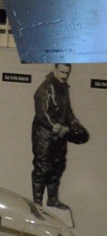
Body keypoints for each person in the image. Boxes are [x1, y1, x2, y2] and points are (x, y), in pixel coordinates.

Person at [31, 63, 87, 209]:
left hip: (60, 135)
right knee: (42, 168)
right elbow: (42, 114)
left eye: (67, 73)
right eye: (62, 72)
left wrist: (73, 123)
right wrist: (55, 126)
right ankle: (37, 204)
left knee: (58, 166)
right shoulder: (45, 89)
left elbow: (67, 111)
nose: (64, 76)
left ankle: (52, 199)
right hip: (44, 136)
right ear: (55, 70)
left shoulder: (63, 89)